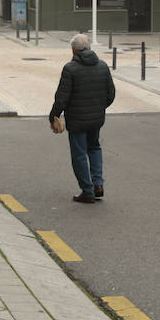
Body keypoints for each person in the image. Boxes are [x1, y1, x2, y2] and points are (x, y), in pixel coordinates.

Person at [49, 33, 116, 204]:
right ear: (88, 48)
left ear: (73, 50)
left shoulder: (70, 68)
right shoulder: (102, 66)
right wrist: (99, 108)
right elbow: (111, 94)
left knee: (79, 155)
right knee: (94, 148)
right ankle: (98, 184)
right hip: (96, 118)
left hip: (77, 121)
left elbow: (62, 98)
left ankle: (87, 191)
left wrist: (53, 116)